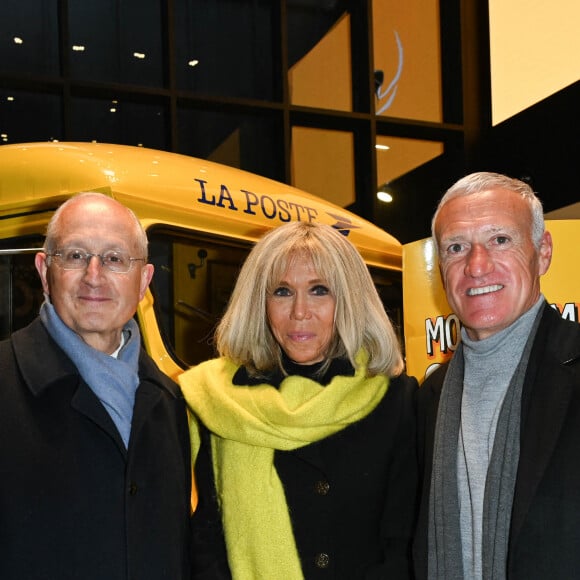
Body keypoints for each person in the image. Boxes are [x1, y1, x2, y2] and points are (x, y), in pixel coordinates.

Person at [180, 220, 418, 580]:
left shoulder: (395, 399)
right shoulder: (219, 400)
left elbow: (403, 545)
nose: (300, 312)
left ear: (350, 301)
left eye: (319, 290)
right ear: (259, 302)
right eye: (282, 292)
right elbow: (207, 538)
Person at [0, 192, 192, 579]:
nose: (94, 275)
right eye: (74, 256)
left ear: (144, 282)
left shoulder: (168, 401)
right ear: (43, 271)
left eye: (115, 259)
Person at [413, 172, 580, 579]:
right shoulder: (426, 398)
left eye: (500, 240)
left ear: (542, 252)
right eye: (456, 247)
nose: (476, 265)